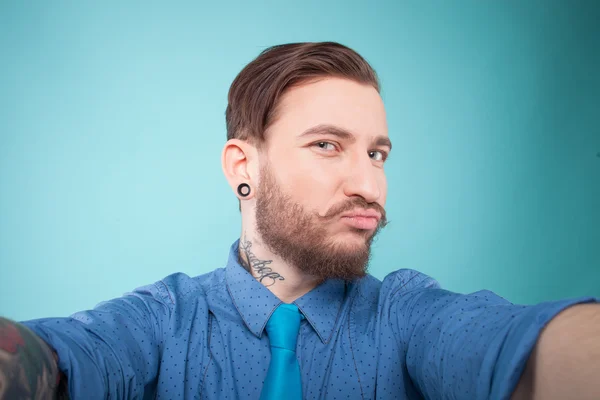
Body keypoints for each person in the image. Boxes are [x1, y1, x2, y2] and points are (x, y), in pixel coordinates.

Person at [0, 42, 598, 400]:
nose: (370, 184)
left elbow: (511, 346)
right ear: (244, 166)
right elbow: (61, 358)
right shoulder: (162, 321)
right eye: (326, 145)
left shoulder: (407, 314)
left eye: (377, 153)